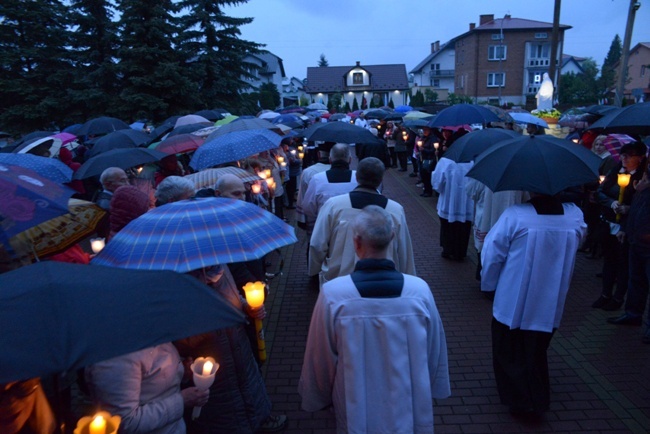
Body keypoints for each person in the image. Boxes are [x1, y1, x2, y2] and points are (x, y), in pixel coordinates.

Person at [300, 205, 450, 433]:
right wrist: (427, 383)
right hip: (409, 405)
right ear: (392, 237)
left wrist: (319, 396)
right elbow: (433, 350)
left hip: (355, 407)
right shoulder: (418, 291)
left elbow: (320, 357)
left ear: (356, 242)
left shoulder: (334, 294)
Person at [481, 193, 586, 415]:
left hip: (513, 295)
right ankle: (536, 392)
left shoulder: (516, 216)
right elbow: (579, 241)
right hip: (551, 296)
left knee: (510, 347)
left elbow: (492, 252)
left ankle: (522, 400)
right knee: (537, 347)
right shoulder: (574, 216)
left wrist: (488, 283)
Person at [175, 265, 287, 433]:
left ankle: (260, 419)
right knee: (226, 415)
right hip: (213, 364)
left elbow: (234, 299)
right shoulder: (178, 284)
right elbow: (176, 336)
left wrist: (247, 308)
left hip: (239, 350)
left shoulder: (221, 269)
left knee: (250, 388)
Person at [309, 157, 415, 286]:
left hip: (339, 282)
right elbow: (404, 250)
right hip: (384, 284)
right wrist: (408, 280)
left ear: (357, 177)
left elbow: (317, 244)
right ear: (381, 179)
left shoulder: (334, 205)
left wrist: (314, 270)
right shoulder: (395, 210)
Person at [85, 343, 209, 434]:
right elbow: (125, 422)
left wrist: (181, 372)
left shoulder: (149, 333)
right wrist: (181, 401)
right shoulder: (115, 356)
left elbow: (154, 380)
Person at [592, 141, 647, 311]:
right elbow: (601, 191)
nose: (624, 159)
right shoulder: (616, 170)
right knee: (609, 261)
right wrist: (612, 203)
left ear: (640, 158)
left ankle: (618, 298)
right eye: (623, 155)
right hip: (609, 222)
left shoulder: (643, 178)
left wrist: (628, 208)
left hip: (627, 228)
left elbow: (642, 204)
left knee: (624, 264)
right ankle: (605, 294)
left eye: (629, 156)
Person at [608, 166, 650, 342]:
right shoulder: (641, 191)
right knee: (636, 280)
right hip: (636, 242)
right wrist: (625, 229)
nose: (640, 181)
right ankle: (633, 314)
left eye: (644, 179)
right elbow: (634, 212)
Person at [299, 143, 358, 222]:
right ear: (350, 160)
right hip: (352, 228)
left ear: (330, 160)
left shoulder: (317, 179)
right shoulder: (358, 178)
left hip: (324, 225)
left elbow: (308, 208)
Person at [431, 156, 474, 261]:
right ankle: (460, 252)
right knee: (463, 226)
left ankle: (447, 249)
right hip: (466, 202)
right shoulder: (472, 162)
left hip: (448, 200)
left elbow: (437, 184)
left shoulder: (445, 161)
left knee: (447, 226)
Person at [95, 167, 130, 238]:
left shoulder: (113, 199)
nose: (128, 184)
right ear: (108, 185)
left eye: (127, 180)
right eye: (123, 181)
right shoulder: (106, 205)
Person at [417, 127, 438, 197]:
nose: (424, 132)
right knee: (423, 175)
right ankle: (426, 190)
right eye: (424, 130)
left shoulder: (433, 139)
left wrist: (423, 149)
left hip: (429, 160)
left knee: (427, 176)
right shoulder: (423, 138)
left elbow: (433, 150)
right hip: (423, 159)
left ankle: (428, 191)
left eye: (426, 130)